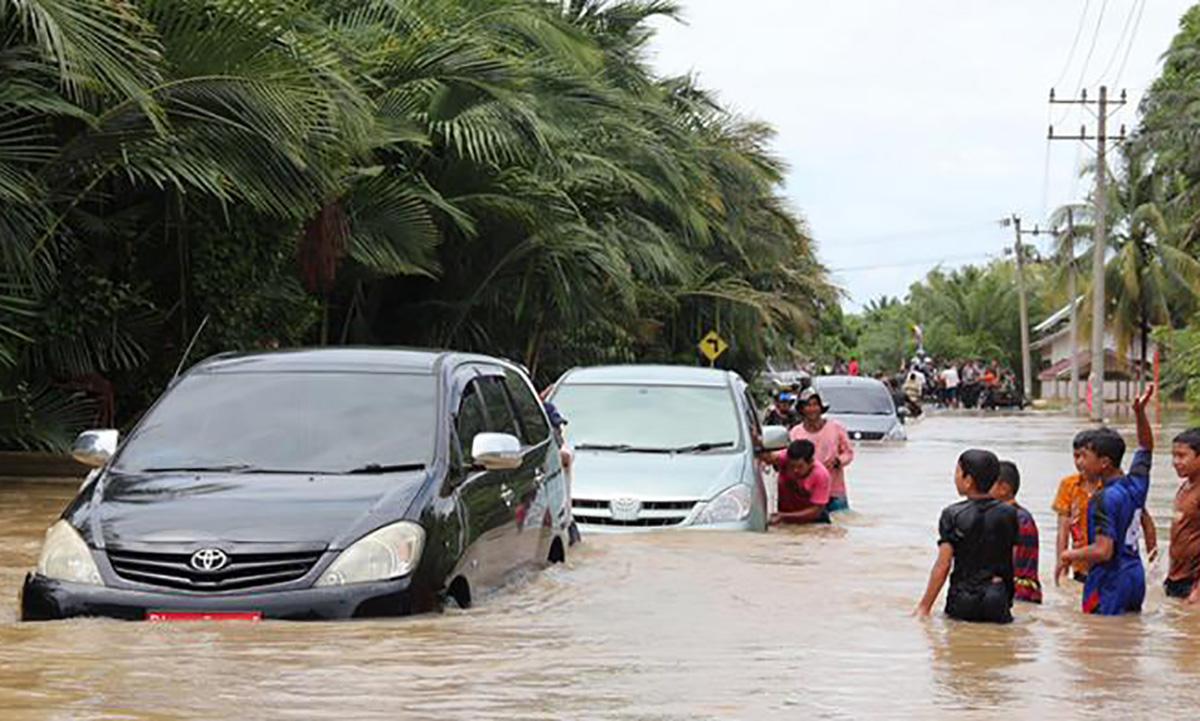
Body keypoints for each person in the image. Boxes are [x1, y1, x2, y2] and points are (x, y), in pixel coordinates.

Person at [1061, 385, 1156, 615]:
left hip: (1110, 579)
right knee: (1128, 639)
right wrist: (1139, 412)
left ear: (1104, 462)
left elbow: (1103, 551)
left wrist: (1068, 555)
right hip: (1135, 576)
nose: (1079, 463)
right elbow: (1146, 446)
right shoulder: (1136, 484)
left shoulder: (1102, 498)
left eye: (1084, 456)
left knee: (1098, 642)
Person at [915, 449, 1017, 623]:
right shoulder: (1009, 513)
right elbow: (1012, 559)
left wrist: (924, 606)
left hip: (962, 598)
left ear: (968, 481)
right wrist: (1007, 598)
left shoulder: (951, 514)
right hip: (996, 595)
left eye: (958, 472)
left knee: (957, 646)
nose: (954, 477)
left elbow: (943, 565)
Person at [790, 388, 854, 512]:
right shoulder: (795, 433)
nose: (812, 409)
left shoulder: (836, 428)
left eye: (815, 405)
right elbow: (791, 461)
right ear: (802, 409)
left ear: (821, 407)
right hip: (808, 493)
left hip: (834, 492)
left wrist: (837, 461)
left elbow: (848, 453)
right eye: (808, 405)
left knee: (839, 526)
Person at [992, 461, 1041, 603]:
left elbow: (1009, 560)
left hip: (1016, 593)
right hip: (1025, 592)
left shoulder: (1012, 518)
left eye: (989, 483)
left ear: (1003, 488)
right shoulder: (1020, 515)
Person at [759, 440, 831, 526]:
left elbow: (815, 511)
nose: (795, 470)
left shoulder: (821, 475)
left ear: (811, 462)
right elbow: (765, 456)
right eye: (791, 466)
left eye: (800, 466)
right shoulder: (783, 458)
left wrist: (784, 516)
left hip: (814, 521)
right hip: (784, 517)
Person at [1166, 428, 1200, 604]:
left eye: (1181, 456)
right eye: (1174, 456)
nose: (1175, 462)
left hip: (1193, 583)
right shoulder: (1186, 486)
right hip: (1177, 577)